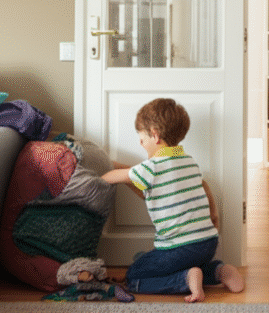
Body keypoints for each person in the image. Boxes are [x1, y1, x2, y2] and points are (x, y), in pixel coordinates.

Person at [101, 98, 244, 301]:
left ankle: (185, 280)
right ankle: (219, 271)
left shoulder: (150, 168)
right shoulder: (189, 162)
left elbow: (119, 176)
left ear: (155, 136)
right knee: (173, 260)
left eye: (141, 137)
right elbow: (203, 187)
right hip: (208, 243)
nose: (140, 142)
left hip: (180, 248)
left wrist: (97, 179)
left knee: (134, 275)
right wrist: (213, 213)